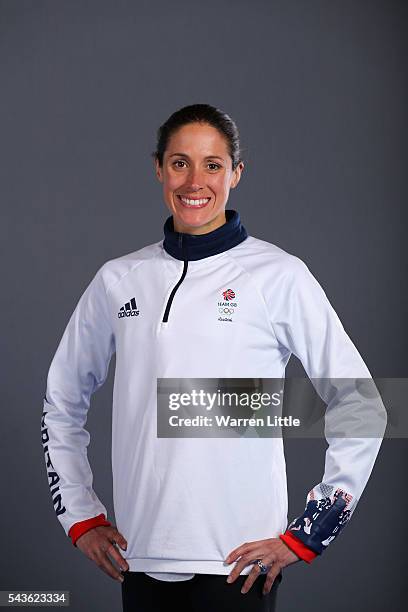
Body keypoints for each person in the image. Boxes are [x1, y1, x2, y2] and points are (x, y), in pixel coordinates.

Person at [41, 103, 386, 612]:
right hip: (139, 561)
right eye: (180, 163)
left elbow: (362, 403)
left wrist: (310, 532)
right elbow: (61, 399)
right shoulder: (119, 279)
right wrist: (80, 516)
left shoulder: (278, 275)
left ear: (236, 174)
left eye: (212, 165)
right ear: (158, 168)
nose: (194, 181)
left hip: (239, 569)